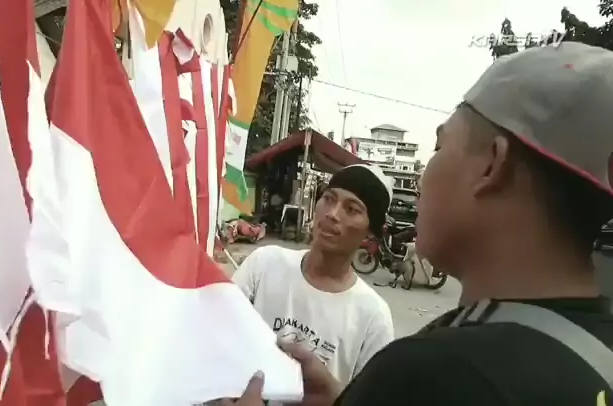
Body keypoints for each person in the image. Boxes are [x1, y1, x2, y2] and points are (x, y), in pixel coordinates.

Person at [230, 42, 613, 406]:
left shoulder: (432, 376)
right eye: (329, 199)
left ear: (491, 166)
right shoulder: (597, 354)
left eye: (439, 147)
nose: (420, 181)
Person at [231, 164, 395, 386]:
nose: (332, 214)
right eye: (328, 199)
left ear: (370, 232)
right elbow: (218, 332)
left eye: (351, 209)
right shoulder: (264, 264)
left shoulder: (373, 317)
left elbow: (370, 396)